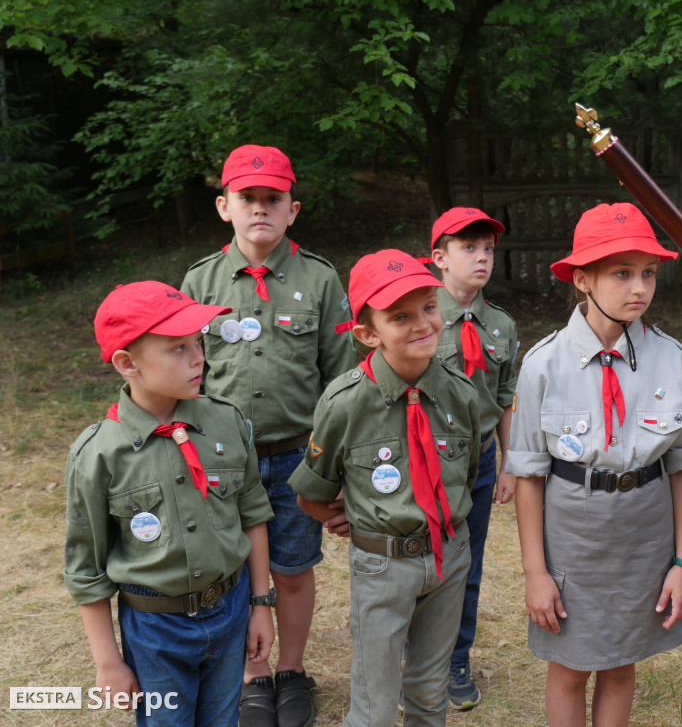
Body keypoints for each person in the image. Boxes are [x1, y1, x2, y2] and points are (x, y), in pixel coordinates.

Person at [508, 203, 682, 727]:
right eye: (622, 273)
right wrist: (535, 572)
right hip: (573, 534)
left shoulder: (673, 358)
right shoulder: (543, 364)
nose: (639, 287)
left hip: (644, 533)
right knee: (570, 668)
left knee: (620, 663)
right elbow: (528, 475)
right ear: (582, 278)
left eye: (648, 273)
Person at [180, 144, 354, 727]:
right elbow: (188, 375)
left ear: (292, 209)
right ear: (224, 205)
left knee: (293, 568)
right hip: (224, 461)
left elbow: (338, 379)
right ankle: (252, 673)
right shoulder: (200, 280)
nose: (260, 208)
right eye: (247, 198)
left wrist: (335, 465)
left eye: (272, 199)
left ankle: (292, 669)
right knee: (232, 571)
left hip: (296, 459)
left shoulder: (320, 278)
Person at [64, 281, 275, 727]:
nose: (199, 356)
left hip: (232, 607)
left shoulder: (227, 421)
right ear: (127, 363)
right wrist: (108, 662)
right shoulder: (99, 454)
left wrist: (260, 603)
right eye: (177, 348)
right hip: (155, 627)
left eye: (198, 342)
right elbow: (87, 568)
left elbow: (252, 513)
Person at [288, 248, 480, 727]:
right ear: (368, 334)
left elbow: (467, 474)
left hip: (449, 556)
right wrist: (348, 515)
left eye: (429, 308)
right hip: (383, 564)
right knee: (374, 702)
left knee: (430, 691)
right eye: (400, 317)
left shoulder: (461, 391)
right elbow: (310, 492)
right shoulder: (345, 403)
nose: (421, 325)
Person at [429, 206, 519, 710]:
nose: (481, 257)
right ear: (439, 258)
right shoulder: (419, 314)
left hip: (479, 462)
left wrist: (508, 463)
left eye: (487, 249)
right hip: (425, 458)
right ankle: (417, 656)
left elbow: (504, 397)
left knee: (468, 563)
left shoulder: (500, 325)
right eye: (469, 248)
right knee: (421, 562)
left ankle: (456, 657)